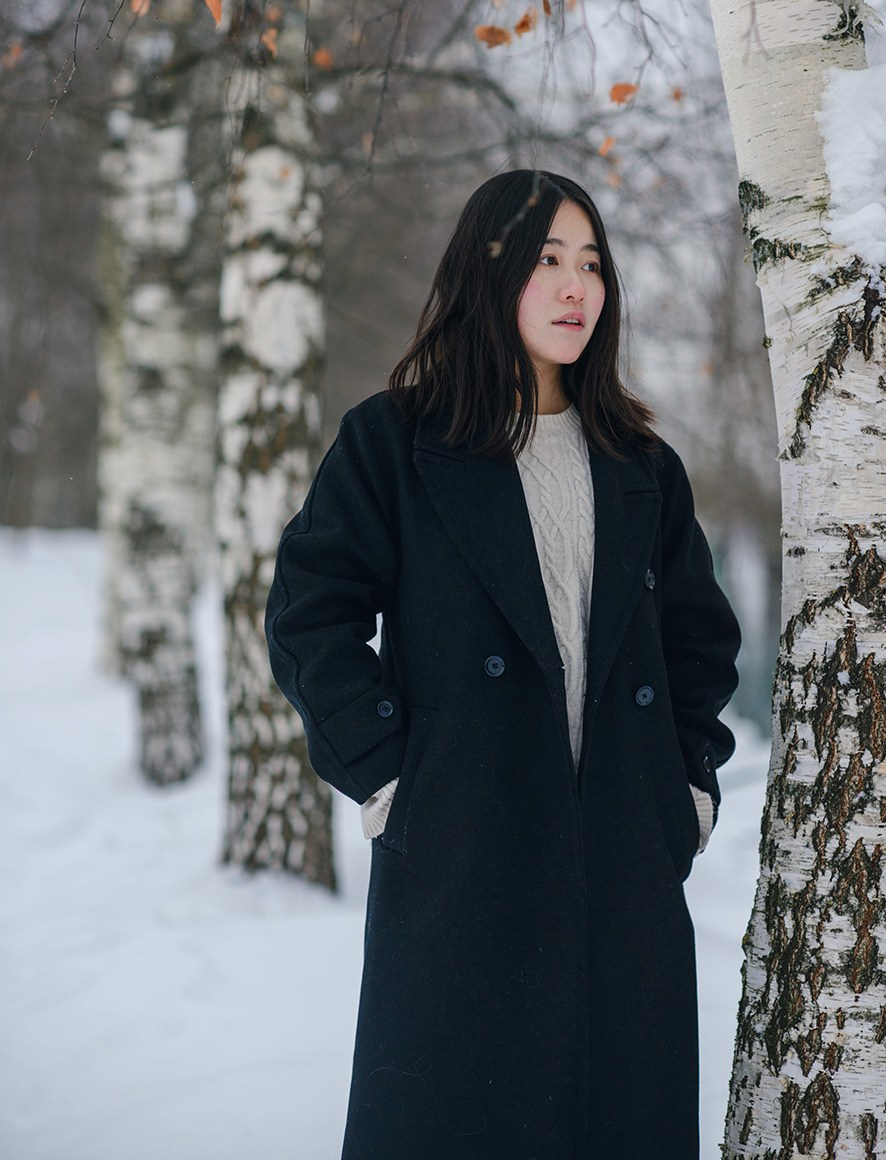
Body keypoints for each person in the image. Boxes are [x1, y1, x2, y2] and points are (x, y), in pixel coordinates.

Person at [265, 168, 740, 1160]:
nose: (576, 287)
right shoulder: (393, 443)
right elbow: (311, 613)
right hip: (462, 866)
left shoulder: (639, 462)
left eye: (592, 263)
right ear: (488, 275)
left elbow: (700, 644)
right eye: (547, 261)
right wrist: (392, 778)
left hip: (621, 875)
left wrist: (682, 793)